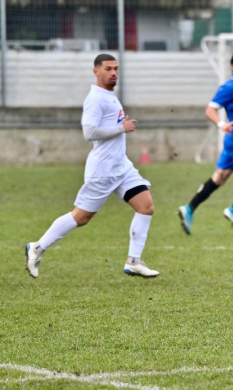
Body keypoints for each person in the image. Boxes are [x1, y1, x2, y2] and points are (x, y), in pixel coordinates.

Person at [25, 54, 158, 278]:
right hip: (103, 169)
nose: (113, 72)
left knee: (146, 206)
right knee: (81, 217)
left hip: (121, 166)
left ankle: (134, 261)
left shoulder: (109, 95)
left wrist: (119, 124)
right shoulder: (95, 98)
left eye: (116, 68)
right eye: (108, 68)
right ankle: (37, 247)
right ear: (96, 71)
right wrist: (121, 128)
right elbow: (89, 133)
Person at [178, 52, 233, 234]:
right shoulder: (228, 87)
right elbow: (210, 110)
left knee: (219, 178)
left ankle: (189, 208)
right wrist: (221, 124)